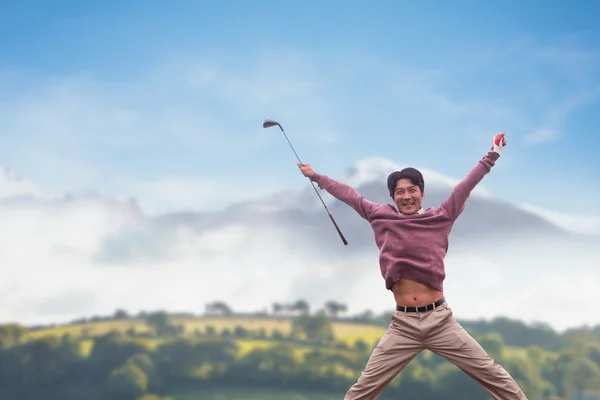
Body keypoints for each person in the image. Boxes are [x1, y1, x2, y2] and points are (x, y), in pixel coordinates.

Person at [297, 133, 527, 400]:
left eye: (411, 190)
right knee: (363, 389)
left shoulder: (441, 216)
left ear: (421, 193)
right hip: (403, 324)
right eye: (399, 192)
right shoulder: (379, 215)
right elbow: (350, 195)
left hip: (440, 321)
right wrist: (316, 176)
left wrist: (493, 155)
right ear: (393, 197)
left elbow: (465, 186)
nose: (406, 196)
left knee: (492, 374)